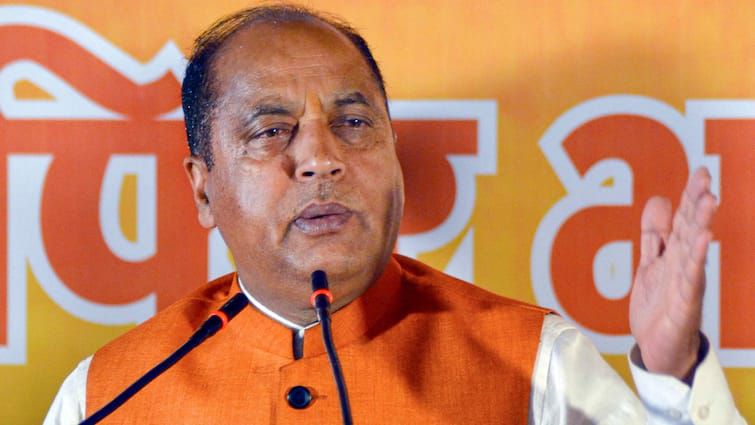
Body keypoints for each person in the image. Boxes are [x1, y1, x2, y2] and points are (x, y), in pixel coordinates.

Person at [44, 5, 745, 424]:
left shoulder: (534, 363)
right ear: (203, 190)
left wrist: (672, 373)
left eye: (353, 123)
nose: (321, 159)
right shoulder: (108, 394)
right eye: (272, 130)